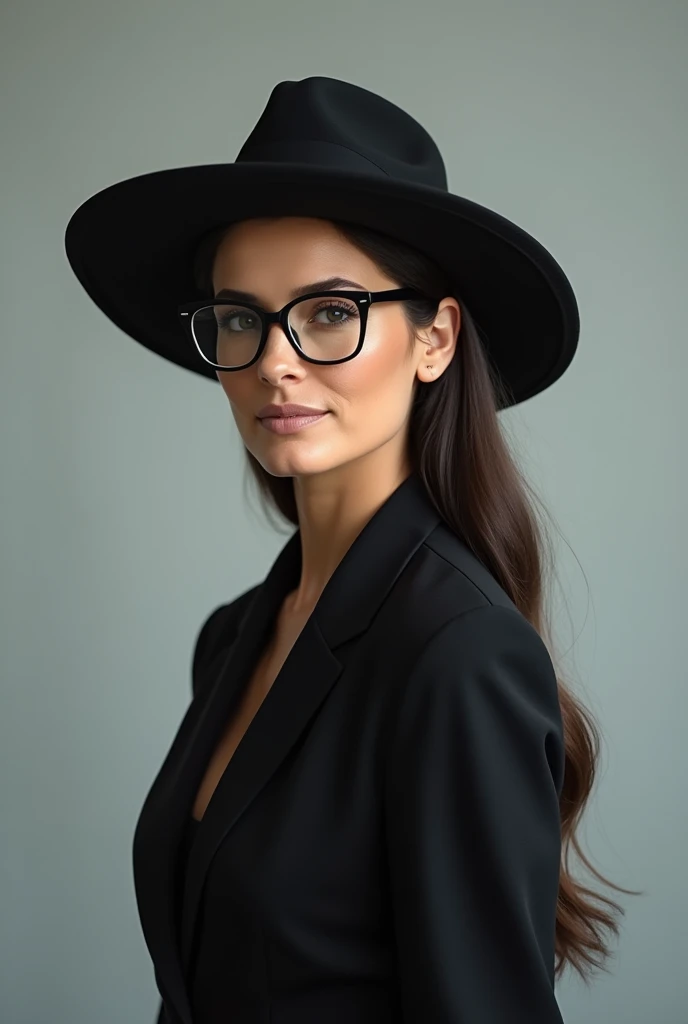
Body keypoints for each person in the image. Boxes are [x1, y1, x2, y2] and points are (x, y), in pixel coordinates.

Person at [65, 76, 634, 1024]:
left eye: (330, 311)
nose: (275, 359)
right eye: (240, 317)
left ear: (436, 340)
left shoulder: (458, 655)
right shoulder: (236, 635)